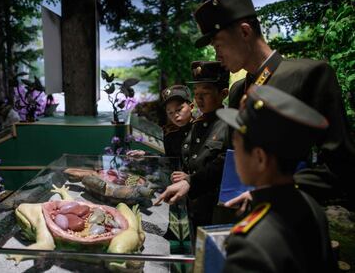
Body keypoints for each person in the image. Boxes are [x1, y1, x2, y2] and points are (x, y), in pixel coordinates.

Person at [193, 0, 355, 207]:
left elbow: (340, 165)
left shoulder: (308, 76)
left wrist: (275, 192)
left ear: (244, 32)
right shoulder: (236, 91)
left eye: (219, 45)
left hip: (291, 216)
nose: (217, 55)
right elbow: (230, 157)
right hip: (235, 214)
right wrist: (191, 183)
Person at [216, 84, 337, 272]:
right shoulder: (311, 206)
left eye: (236, 144)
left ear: (260, 158)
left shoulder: (251, 245)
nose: (234, 153)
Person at [156, 61, 230, 228]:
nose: (199, 98)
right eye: (196, 93)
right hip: (193, 204)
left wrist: (190, 180)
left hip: (215, 209)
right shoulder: (197, 124)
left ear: (223, 93)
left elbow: (223, 164)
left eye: (205, 93)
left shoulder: (228, 124)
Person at [127, 84, 194, 158]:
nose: (175, 115)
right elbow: (167, 157)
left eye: (179, 109)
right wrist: (145, 154)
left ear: (191, 107)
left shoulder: (202, 131)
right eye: (170, 112)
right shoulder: (171, 135)